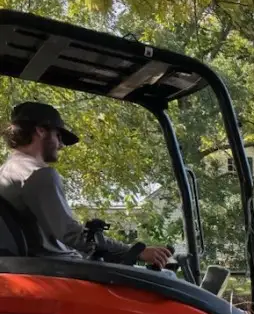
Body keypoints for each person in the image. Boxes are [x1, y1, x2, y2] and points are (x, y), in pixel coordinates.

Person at [0, 101, 172, 268]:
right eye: (58, 136)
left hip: (35, 266)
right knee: (163, 281)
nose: (61, 145)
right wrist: (136, 252)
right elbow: (72, 234)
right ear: (40, 131)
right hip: (57, 270)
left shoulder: (7, 172)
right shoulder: (39, 175)